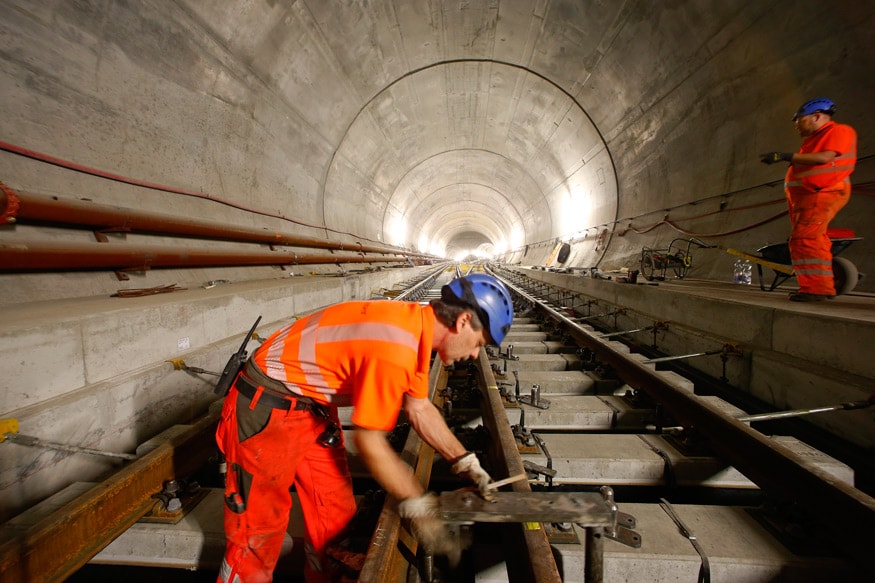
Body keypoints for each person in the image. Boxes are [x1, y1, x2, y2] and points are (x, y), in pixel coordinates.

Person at [215, 273, 514, 582]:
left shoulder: (414, 327)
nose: (476, 354)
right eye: (480, 343)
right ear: (463, 321)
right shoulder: (396, 346)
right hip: (268, 406)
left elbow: (420, 408)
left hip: (310, 408)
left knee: (334, 516)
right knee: (258, 533)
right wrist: (418, 505)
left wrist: (465, 462)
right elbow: (369, 443)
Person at [761, 97, 858, 302]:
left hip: (821, 192)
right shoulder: (812, 141)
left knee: (805, 239)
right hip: (809, 197)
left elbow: (824, 158)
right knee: (810, 238)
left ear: (816, 116)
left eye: (799, 120)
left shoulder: (838, 131)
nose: (796, 125)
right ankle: (822, 285)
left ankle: (817, 288)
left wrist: (784, 156)